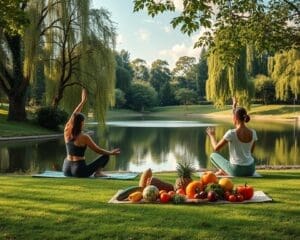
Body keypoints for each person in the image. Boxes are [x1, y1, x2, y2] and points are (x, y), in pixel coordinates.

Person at [62, 88, 120, 177]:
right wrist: (111, 153)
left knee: (105, 154)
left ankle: (98, 172)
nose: (84, 124)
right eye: (83, 122)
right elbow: (98, 150)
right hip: (79, 171)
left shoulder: (66, 131)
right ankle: (98, 173)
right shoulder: (84, 136)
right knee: (105, 156)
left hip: (66, 169)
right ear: (81, 123)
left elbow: (74, 115)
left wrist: (82, 102)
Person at [206, 97, 257, 176]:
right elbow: (251, 152)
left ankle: (223, 171)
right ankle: (224, 171)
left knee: (213, 155)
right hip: (250, 169)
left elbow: (216, 148)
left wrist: (212, 135)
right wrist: (234, 106)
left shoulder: (231, 133)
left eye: (233, 116)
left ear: (235, 118)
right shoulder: (253, 133)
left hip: (236, 171)